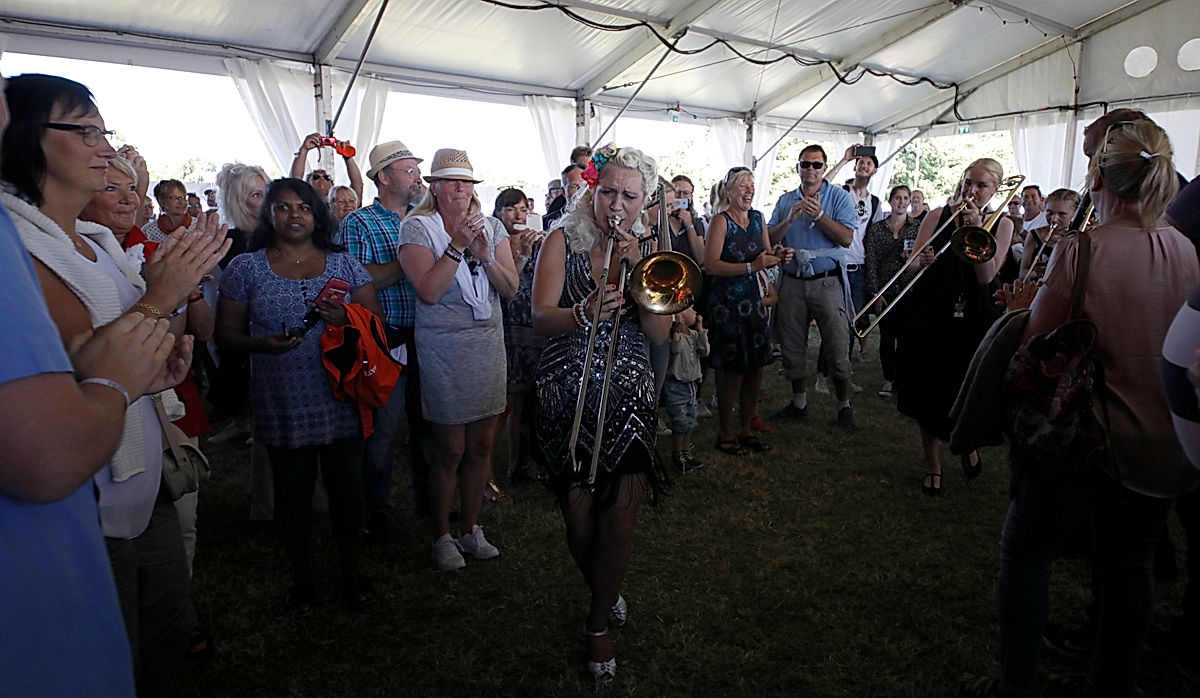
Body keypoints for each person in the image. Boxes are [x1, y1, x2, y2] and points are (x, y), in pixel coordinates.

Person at [1, 72, 229, 695]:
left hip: (142, 471)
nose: (108, 149)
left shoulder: (97, 241)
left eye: (106, 131)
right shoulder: (17, 244)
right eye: (87, 131)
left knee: (164, 626)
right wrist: (161, 293)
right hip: (87, 495)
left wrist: (161, 362)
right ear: (26, 138)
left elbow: (127, 350)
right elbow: (80, 365)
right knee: (112, 647)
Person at [960, 121, 1199, 698]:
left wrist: (1020, 303)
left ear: (1097, 178)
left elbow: (1035, 341)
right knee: (1129, 571)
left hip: (1088, 443)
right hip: (1161, 445)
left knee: (1025, 556)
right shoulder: (1186, 248)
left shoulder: (1082, 249)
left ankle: (1016, 686)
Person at [532, 143, 671, 682]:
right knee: (578, 515)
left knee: (621, 513)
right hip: (566, 394)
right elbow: (540, 318)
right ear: (593, 189)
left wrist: (641, 268)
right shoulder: (562, 240)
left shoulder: (650, 251)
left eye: (630, 195)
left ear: (645, 202)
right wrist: (580, 312)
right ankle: (605, 589)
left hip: (629, 394)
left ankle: (597, 622)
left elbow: (658, 333)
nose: (617, 203)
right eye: (608, 190)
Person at [216, 178, 384, 614]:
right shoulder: (247, 268)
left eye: (304, 208)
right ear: (269, 214)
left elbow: (375, 320)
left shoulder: (344, 265)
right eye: (284, 207)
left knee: (348, 487)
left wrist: (346, 315)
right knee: (293, 494)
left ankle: (351, 569)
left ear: (317, 215)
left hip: (340, 395)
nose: (295, 215)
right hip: (282, 397)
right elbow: (226, 335)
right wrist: (260, 345)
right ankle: (301, 576)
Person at [397, 148, 518, 571]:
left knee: (483, 444)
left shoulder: (494, 226)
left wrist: (484, 254)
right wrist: (457, 246)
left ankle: (470, 527)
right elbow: (428, 291)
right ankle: (442, 534)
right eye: (451, 181)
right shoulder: (416, 229)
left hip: (486, 343)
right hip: (444, 347)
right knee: (450, 449)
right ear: (433, 187)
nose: (460, 189)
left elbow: (510, 288)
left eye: (466, 182)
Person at [898, 158, 1014, 496]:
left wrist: (979, 229)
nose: (971, 190)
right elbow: (911, 265)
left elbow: (987, 277)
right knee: (927, 389)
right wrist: (920, 261)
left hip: (975, 317)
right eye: (967, 182)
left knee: (965, 389)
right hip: (932, 312)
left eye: (981, 185)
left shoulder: (1003, 223)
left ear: (995, 190)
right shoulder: (937, 215)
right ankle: (932, 464)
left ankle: (967, 443)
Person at [339, 139, 427, 539]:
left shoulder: (428, 218)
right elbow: (359, 280)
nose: (418, 177)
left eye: (417, 170)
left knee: (429, 425)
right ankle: (377, 512)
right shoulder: (359, 223)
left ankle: (430, 505)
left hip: (428, 335)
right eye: (410, 171)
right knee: (383, 430)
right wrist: (412, 260)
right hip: (384, 339)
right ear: (384, 177)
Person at [766, 144, 859, 433]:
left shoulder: (839, 197)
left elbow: (846, 238)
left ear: (824, 167)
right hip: (793, 281)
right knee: (792, 344)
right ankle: (799, 402)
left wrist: (820, 216)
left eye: (816, 165)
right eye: (805, 164)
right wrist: (788, 221)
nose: (810, 170)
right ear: (798, 167)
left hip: (827, 281)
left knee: (836, 343)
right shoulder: (785, 200)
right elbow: (768, 238)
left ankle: (844, 406)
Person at [705, 167, 785, 455]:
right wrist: (752, 266)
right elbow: (711, 265)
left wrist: (778, 255)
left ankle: (746, 430)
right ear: (728, 191)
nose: (749, 191)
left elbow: (765, 255)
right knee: (732, 371)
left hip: (753, 301)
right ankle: (725, 432)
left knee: (755, 368)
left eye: (752, 186)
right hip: (726, 303)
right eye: (742, 186)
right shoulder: (720, 221)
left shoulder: (758, 219)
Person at [495, 187, 546, 487]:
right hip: (507, 330)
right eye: (511, 209)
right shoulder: (495, 245)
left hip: (534, 329)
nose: (519, 215)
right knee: (508, 403)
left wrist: (540, 251)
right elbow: (507, 286)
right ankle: (506, 465)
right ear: (499, 213)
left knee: (531, 401)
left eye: (524, 209)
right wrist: (525, 255)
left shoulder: (538, 244)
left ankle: (527, 461)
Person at [863, 185, 921, 398]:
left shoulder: (917, 227)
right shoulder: (877, 229)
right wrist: (875, 293)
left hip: (909, 289)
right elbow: (871, 261)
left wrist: (914, 260)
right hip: (886, 290)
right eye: (898, 197)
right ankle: (888, 378)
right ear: (890, 200)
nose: (902, 201)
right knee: (887, 337)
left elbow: (925, 255)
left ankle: (903, 379)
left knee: (907, 338)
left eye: (906, 198)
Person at [664, 306, 709, 472]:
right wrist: (676, 332)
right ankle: (678, 453)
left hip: (691, 385)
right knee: (680, 421)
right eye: (691, 310)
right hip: (677, 385)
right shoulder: (674, 337)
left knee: (690, 420)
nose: (695, 312)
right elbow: (676, 351)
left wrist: (701, 330)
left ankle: (685, 451)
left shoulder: (696, 335)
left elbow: (704, 352)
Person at [1017, 188, 1080, 284]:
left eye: (1062, 214)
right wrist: (1037, 273)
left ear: (1074, 214)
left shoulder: (1079, 238)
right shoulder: (1034, 235)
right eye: (1050, 213)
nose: (1054, 219)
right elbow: (1022, 274)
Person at [290, 132, 364, 205]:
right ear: (307, 184)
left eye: (327, 177)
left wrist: (347, 156)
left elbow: (358, 186)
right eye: (316, 177)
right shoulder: (304, 205)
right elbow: (294, 182)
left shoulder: (340, 207)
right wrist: (304, 150)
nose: (322, 179)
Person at [142, 178, 199, 243]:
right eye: (175, 198)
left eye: (183, 197)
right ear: (162, 202)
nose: (181, 202)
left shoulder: (197, 226)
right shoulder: (149, 231)